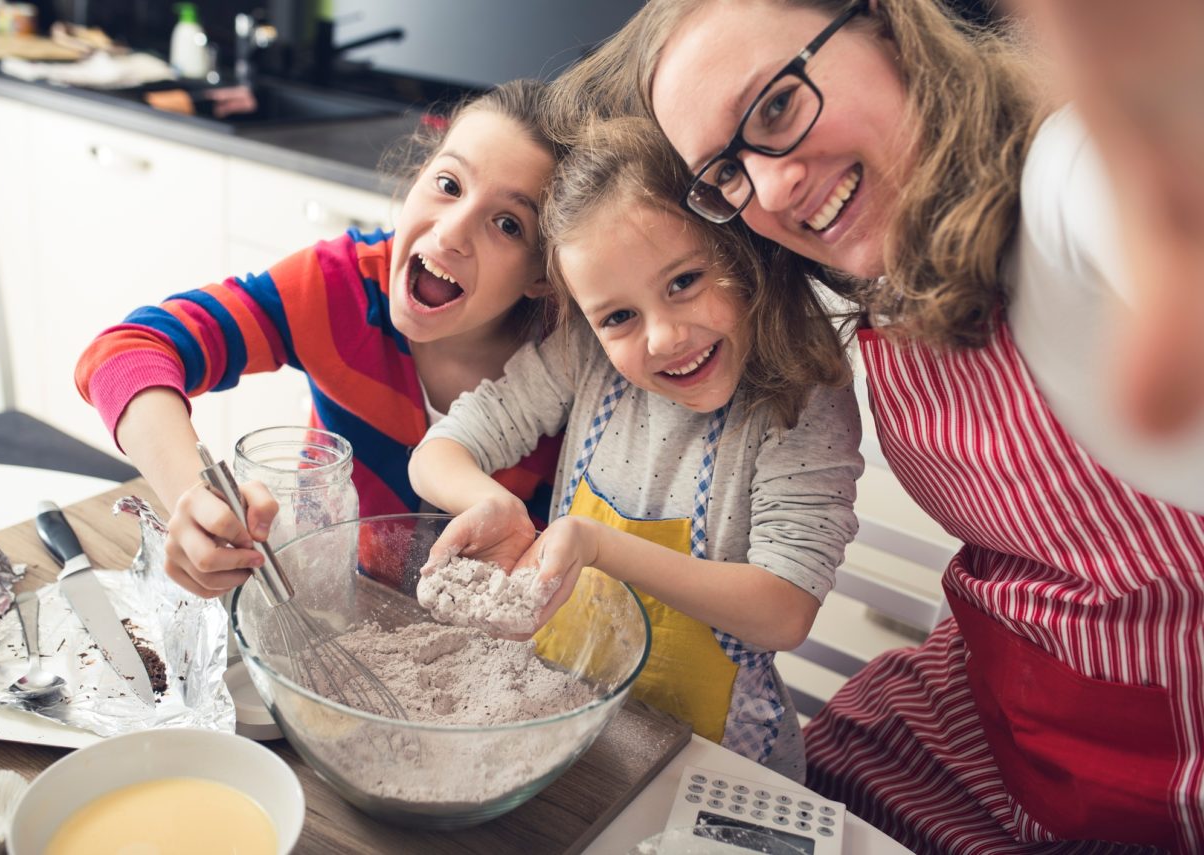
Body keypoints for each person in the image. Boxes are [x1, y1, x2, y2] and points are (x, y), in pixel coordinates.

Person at [557, 0, 1204, 851]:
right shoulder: (870, 289)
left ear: (889, 25)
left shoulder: (1065, 180)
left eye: (779, 105)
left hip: (1151, 764)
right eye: (728, 172)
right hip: (987, 708)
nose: (776, 184)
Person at [408, 117, 863, 782]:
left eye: (683, 281)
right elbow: (438, 450)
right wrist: (491, 501)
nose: (664, 337)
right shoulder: (584, 359)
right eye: (619, 316)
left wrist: (597, 544)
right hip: (575, 728)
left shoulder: (801, 394)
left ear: (737, 248)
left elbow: (784, 608)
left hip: (717, 762)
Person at [74, 79, 564, 599]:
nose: (449, 234)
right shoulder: (339, 288)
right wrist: (190, 498)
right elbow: (125, 351)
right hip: (328, 603)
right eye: (448, 184)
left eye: (508, 224)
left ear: (543, 274)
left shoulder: (570, 375)